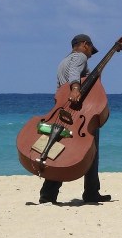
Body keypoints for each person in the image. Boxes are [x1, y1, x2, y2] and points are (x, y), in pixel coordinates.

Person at [39, 34, 112, 204]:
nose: (90, 55)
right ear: (85, 44)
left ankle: (48, 194)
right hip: (79, 115)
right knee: (91, 152)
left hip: (62, 112)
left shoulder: (62, 62)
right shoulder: (79, 57)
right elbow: (74, 74)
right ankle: (91, 192)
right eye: (90, 50)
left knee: (60, 151)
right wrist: (76, 87)